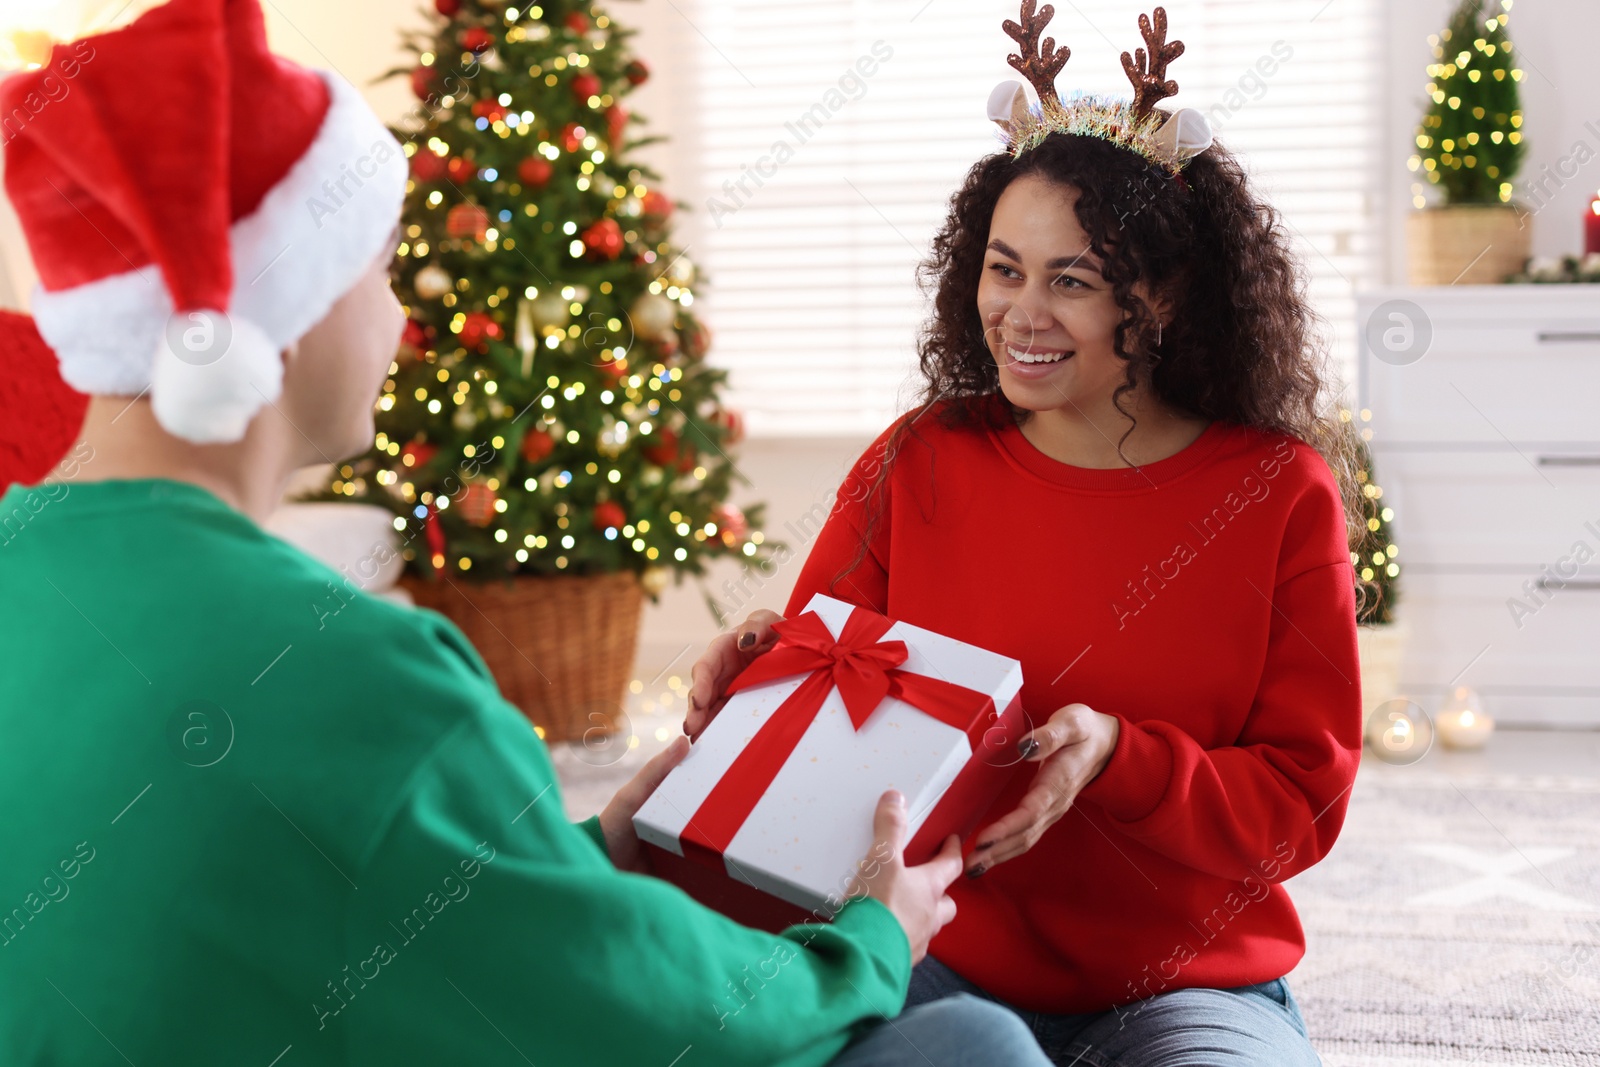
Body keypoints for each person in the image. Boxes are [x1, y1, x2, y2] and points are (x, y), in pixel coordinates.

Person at [0, 1, 1054, 1064]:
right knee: (971, 1040)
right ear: (292, 299)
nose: (401, 318)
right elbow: (644, 1009)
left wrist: (574, 853)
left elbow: (312, 889)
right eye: (378, 267)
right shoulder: (356, 677)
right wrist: (867, 939)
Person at [687, 5, 1364, 1065]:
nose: (1020, 313)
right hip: (932, 951)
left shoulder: (1279, 492)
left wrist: (1117, 758)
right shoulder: (919, 458)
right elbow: (824, 693)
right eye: (1004, 269)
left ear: (1168, 295)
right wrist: (751, 676)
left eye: (1072, 281)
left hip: (1186, 979)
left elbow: (1300, 802)